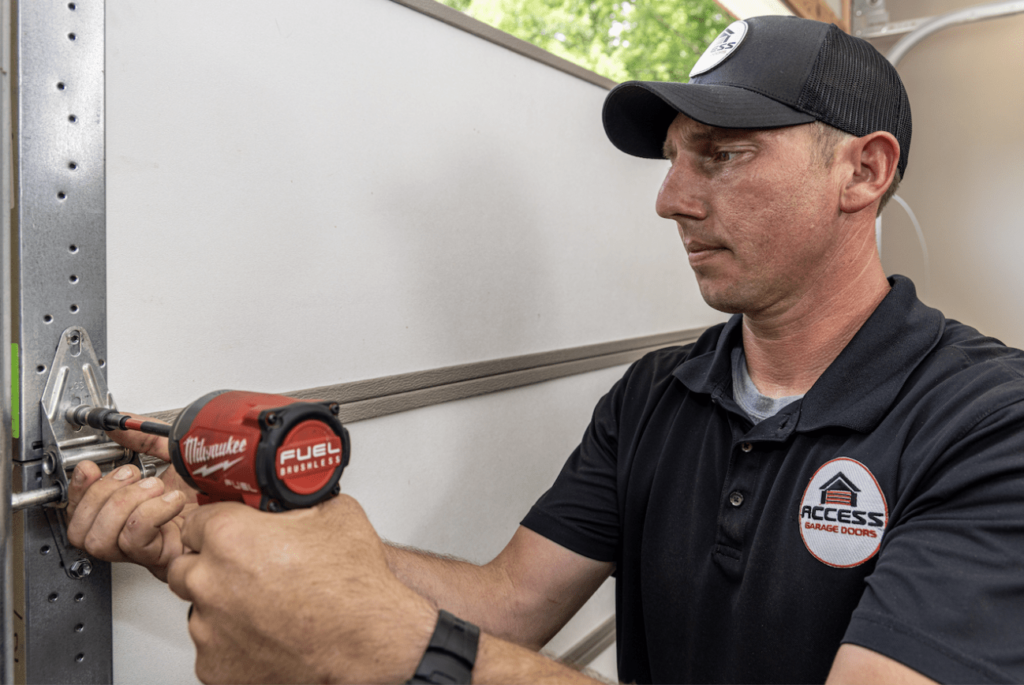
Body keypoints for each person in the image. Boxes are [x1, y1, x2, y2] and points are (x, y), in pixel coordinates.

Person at [64, 15, 1024, 685]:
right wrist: (258, 530)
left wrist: (397, 650)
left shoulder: (990, 426)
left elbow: (428, 642)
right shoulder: (657, 394)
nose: (672, 198)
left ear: (863, 170)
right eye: (675, 157)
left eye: (723, 156)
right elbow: (507, 602)